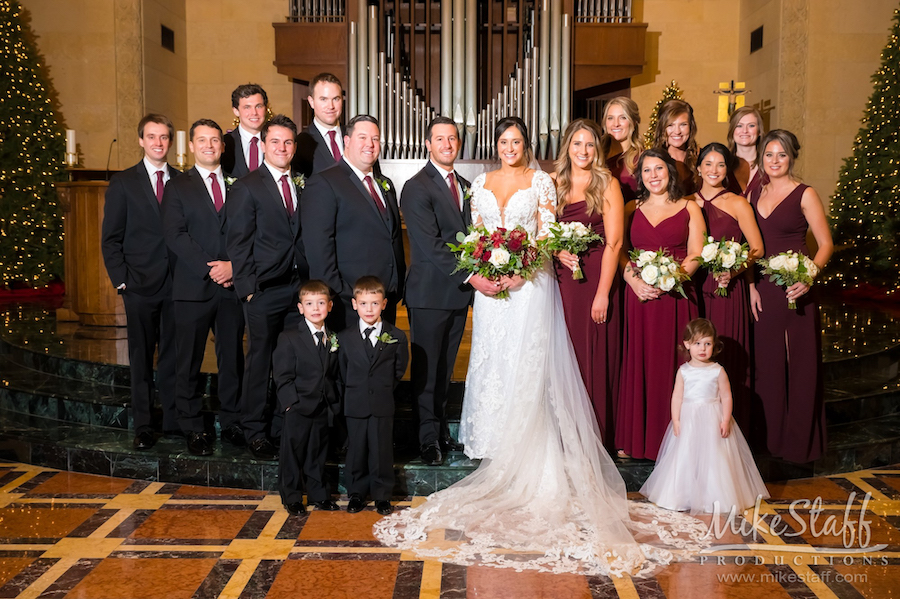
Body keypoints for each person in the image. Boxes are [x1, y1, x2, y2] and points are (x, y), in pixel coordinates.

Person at [374, 118, 710, 577]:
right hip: (491, 290)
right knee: (493, 360)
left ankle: (528, 441)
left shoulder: (541, 182)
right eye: (504, 141)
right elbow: (475, 237)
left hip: (529, 285)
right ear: (496, 146)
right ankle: (491, 435)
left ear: (527, 145)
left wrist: (521, 269)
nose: (511, 146)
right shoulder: (482, 184)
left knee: (528, 361)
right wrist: (486, 270)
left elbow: (547, 232)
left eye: (518, 140)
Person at [402, 116, 497, 466]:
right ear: (428, 144)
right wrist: (473, 278)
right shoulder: (416, 186)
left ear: (459, 144)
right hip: (429, 295)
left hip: (456, 297)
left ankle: (440, 429)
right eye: (439, 139)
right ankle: (426, 440)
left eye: (452, 138)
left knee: (445, 370)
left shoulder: (466, 184)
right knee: (427, 371)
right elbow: (430, 245)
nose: (446, 144)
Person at [227, 114, 310, 460]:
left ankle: (281, 426)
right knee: (260, 361)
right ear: (263, 145)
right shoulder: (248, 186)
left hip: (297, 290)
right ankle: (255, 429)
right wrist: (247, 289)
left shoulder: (300, 183)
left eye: (288, 142)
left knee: (290, 360)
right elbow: (238, 242)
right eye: (275, 141)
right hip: (263, 290)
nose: (282, 147)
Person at [160, 119, 245, 456]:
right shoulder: (178, 186)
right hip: (193, 286)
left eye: (215, 140)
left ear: (223, 146)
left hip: (231, 287)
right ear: (192, 146)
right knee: (188, 361)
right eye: (202, 140)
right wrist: (211, 269)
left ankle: (233, 421)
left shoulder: (239, 185)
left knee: (232, 358)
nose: (210, 145)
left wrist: (233, 268)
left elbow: (247, 231)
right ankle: (192, 426)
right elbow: (175, 234)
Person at [749, 130, 833, 463]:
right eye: (769, 154)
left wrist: (808, 279)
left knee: (799, 363)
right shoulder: (754, 192)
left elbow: (825, 244)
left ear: (791, 158)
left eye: (781, 155)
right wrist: (751, 285)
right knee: (766, 363)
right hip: (764, 289)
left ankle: (800, 444)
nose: (774, 161)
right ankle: (770, 440)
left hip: (797, 286)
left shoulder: (805, 193)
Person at [616, 149, 705, 461]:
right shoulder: (630, 207)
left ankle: (675, 439)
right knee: (639, 361)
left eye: (659, 169)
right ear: (640, 176)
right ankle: (636, 439)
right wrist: (633, 281)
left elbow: (696, 253)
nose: (653, 175)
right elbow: (621, 250)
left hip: (676, 298)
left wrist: (672, 279)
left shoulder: (689, 207)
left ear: (671, 172)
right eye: (647, 170)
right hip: (639, 297)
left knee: (673, 365)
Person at [101, 113, 179, 451]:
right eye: (152, 136)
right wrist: (121, 281)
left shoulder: (182, 180)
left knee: (175, 358)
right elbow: (111, 239)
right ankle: (144, 425)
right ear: (141, 140)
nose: (158, 143)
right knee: (142, 358)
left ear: (170, 142)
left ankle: (175, 422)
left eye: (163, 137)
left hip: (177, 286)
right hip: (139, 286)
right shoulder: (123, 182)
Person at [640, 319, 769, 514]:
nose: (702, 348)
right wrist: (676, 420)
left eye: (707, 344)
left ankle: (715, 496)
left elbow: (726, 396)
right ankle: (682, 495)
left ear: (714, 346)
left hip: (713, 420)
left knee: (715, 458)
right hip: (689, 420)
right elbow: (677, 397)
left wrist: (725, 419)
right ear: (687, 344)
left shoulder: (717, 371)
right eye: (698, 343)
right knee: (686, 456)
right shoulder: (683, 371)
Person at [552, 119, 624, 450]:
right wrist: (557, 248)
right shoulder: (552, 182)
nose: (583, 150)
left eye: (590, 145)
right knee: (563, 352)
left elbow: (615, 242)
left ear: (597, 150)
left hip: (595, 275)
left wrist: (602, 294)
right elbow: (539, 232)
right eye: (577, 143)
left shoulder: (607, 183)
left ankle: (594, 437)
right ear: (567, 145)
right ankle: (563, 435)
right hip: (562, 279)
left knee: (594, 352)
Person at [301, 115, 405, 329]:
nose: (370, 144)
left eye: (375, 139)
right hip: (348, 302)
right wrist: (339, 292)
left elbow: (390, 237)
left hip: (385, 298)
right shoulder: (324, 182)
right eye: (363, 137)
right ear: (346, 141)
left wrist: (396, 285)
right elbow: (318, 249)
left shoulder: (385, 184)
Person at [694, 143, 764, 432]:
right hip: (696, 288)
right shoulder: (688, 202)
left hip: (727, 290)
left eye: (720, 164)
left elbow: (757, 248)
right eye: (707, 164)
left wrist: (733, 271)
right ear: (698, 168)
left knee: (725, 355)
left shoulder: (738, 203)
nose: (713, 170)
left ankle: (729, 429)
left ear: (727, 169)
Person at [339, 277, 409, 516]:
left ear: (384, 304)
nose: (369, 309)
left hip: (382, 402)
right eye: (364, 303)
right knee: (356, 449)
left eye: (375, 303)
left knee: (381, 451)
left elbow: (399, 369)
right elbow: (342, 369)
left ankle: (382, 496)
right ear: (354, 304)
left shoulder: (397, 336)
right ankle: (356, 494)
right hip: (355, 403)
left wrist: (383, 387)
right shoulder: (345, 337)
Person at [273, 280, 341, 515]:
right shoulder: (290, 337)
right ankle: (291, 496)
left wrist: (333, 402)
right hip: (299, 406)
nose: (315, 308)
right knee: (292, 454)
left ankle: (319, 494)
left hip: (322, 406)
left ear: (329, 306)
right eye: (309, 303)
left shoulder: (332, 337)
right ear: (300, 308)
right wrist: (291, 403)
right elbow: (282, 375)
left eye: (321, 303)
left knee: (318, 452)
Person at [295, 73, 345, 177]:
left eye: (336, 99)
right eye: (323, 99)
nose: (330, 106)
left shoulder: (354, 136)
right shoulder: (301, 143)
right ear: (311, 102)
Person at [651, 99, 699, 195]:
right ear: (662, 128)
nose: (677, 131)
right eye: (670, 125)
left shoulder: (701, 157)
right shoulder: (653, 160)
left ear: (691, 126)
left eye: (683, 125)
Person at [600, 97, 643, 203]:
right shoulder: (595, 154)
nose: (616, 124)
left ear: (634, 121)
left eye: (623, 118)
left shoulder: (642, 159)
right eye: (610, 118)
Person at [222, 84, 268, 177]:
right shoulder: (225, 143)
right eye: (247, 107)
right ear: (236, 111)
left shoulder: (276, 142)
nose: (254, 113)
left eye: (258, 106)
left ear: (266, 109)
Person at [726, 106, 765, 197]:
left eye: (751, 125)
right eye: (739, 126)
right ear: (732, 131)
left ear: (759, 131)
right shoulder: (723, 163)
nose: (745, 131)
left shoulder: (769, 164)